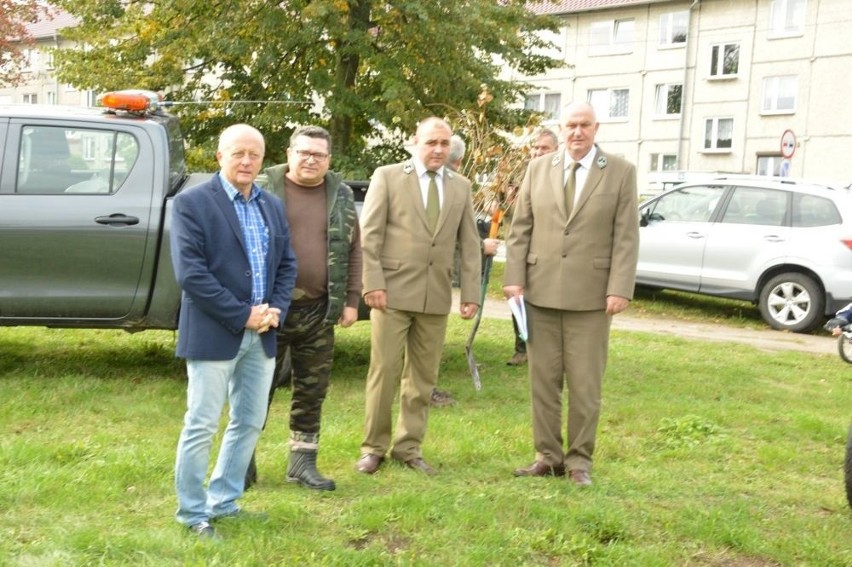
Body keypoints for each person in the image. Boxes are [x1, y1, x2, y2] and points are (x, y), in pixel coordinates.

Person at [170, 124, 297, 538]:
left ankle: (223, 502)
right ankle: (192, 514)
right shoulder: (191, 204)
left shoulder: (271, 205)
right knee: (202, 423)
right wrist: (243, 314)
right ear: (219, 157)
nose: (246, 161)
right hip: (214, 332)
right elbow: (192, 274)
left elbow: (286, 264)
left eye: (254, 155)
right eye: (238, 153)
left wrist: (274, 310)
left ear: (263, 160)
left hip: (263, 334)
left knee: (248, 421)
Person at [503, 102, 639, 486]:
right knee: (542, 381)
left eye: (585, 125)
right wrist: (514, 278)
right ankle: (547, 456)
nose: (577, 132)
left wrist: (619, 288)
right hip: (540, 293)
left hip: (592, 298)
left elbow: (626, 236)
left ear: (597, 129)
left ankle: (579, 461)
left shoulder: (619, 172)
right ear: (560, 130)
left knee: (585, 385)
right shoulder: (537, 168)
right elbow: (520, 227)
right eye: (571, 125)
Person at [356, 117, 482, 475]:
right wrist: (373, 283)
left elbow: (470, 245)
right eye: (431, 143)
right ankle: (373, 447)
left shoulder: (461, 186)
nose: (438, 150)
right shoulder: (389, 176)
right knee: (385, 371)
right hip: (391, 293)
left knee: (423, 377)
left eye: (444, 144)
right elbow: (370, 233)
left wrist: (470, 292)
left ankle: (409, 447)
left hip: (436, 296)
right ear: (415, 142)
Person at [254, 125, 362, 491]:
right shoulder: (261, 188)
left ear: (329, 160)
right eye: (304, 152)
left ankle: (302, 463)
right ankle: (241, 463)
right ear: (289, 154)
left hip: (319, 312)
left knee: (312, 392)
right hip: (268, 312)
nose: (310, 159)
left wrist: (351, 301)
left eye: (318, 154)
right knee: (256, 389)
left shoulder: (341, 195)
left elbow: (354, 249)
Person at [430, 134, 498, 408]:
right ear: (458, 161)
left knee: (425, 339)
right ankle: (426, 388)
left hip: (433, 277)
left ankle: (423, 387)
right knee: (426, 341)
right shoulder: (446, 186)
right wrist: (483, 245)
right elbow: (454, 234)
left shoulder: (456, 185)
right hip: (434, 276)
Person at [505, 128, 559, 367]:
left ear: (556, 150)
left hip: (550, 255)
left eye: (544, 148)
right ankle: (522, 347)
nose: (538, 152)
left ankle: (548, 351)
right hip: (523, 251)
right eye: (535, 148)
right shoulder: (524, 176)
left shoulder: (560, 177)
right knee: (518, 301)